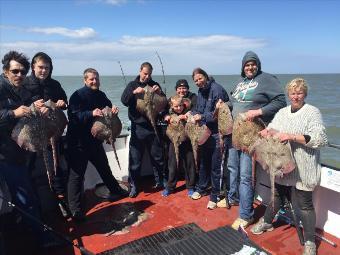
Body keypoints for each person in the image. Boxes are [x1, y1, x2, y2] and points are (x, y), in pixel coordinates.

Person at [250, 78, 327, 255]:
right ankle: (268, 221)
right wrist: (267, 131)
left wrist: (291, 136)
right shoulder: (283, 112)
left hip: (304, 167)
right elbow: (274, 127)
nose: (296, 96)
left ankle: (309, 242)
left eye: (299, 93)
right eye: (292, 93)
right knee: (276, 195)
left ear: (305, 94)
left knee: (305, 204)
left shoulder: (312, 112)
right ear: (288, 94)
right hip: (283, 165)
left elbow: (320, 138)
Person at [0, 51, 61, 250]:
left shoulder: (22, 90)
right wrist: (12, 113)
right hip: (5, 155)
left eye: (23, 72)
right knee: (25, 198)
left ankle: (33, 234)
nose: (19, 75)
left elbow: (32, 105)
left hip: (19, 152)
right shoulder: (1, 88)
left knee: (29, 195)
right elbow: (11, 114)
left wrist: (39, 106)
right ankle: (40, 238)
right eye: (15, 71)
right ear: (5, 71)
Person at [229, 51, 286, 230]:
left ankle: (246, 215)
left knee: (246, 176)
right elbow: (234, 102)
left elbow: (281, 101)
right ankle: (234, 198)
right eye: (247, 65)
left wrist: (258, 112)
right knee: (232, 169)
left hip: (252, 135)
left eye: (253, 64)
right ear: (242, 67)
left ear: (258, 65)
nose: (250, 67)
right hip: (236, 133)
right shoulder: (240, 82)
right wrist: (223, 105)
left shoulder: (267, 79)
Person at [66, 68, 127, 221]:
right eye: (91, 79)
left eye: (97, 79)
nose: (95, 81)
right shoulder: (77, 96)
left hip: (95, 141)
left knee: (104, 167)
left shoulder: (101, 95)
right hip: (78, 142)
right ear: (85, 80)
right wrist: (90, 113)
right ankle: (75, 210)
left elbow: (108, 109)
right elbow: (73, 116)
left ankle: (116, 190)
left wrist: (113, 110)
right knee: (77, 176)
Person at [24, 52, 69, 217]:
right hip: (32, 134)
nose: (44, 71)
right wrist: (31, 105)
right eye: (41, 67)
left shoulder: (54, 85)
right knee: (28, 170)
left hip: (52, 132)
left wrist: (62, 103)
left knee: (56, 167)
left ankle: (61, 203)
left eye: (47, 68)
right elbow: (17, 107)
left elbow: (64, 102)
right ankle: (32, 208)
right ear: (33, 67)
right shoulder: (24, 83)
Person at [121, 62, 166, 198]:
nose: (147, 77)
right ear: (140, 71)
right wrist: (134, 92)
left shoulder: (154, 84)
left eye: (149, 74)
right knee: (135, 159)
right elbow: (124, 100)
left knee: (157, 157)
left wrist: (159, 92)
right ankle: (134, 185)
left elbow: (164, 103)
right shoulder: (132, 85)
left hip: (153, 127)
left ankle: (160, 181)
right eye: (145, 73)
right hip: (138, 127)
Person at [189, 68, 229, 210]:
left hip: (217, 133)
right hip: (205, 132)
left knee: (215, 165)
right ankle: (201, 187)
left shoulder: (216, 89)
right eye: (196, 81)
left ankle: (215, 195)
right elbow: (198, 108)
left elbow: (219, 113)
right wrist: (192, 113)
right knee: (204, 162)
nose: (198, 82)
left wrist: (202, 117)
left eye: (200, 78)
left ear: (205, 76)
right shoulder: (201, 91)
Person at [162, 95, 196, 197]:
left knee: (189, 164)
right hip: (173, 143)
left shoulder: (188, 111)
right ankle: (170, 186)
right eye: (176, 106)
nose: (179, 108)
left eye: (180, 105)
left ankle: (190, 186)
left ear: (184, 104)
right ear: (172, 106)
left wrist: (187, 116)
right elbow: (163, 116)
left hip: (186, 142)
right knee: (172, 165)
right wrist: (169, 117)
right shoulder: (169, 113)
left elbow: (192, 115)